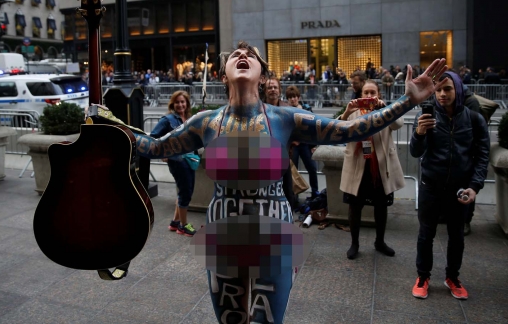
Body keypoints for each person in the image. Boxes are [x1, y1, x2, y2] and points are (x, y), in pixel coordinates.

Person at [91, 41, 448, 323]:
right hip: (223, 233)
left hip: (275, 231)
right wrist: (110, 125)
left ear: (263, 75)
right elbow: (154, 147)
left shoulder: (285, 118)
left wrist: (407, 101)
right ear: (223, 73)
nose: (243, 55)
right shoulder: (206, 122)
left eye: (251, 55)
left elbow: (349, 129)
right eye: (236, 55)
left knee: (266, 320)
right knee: (231, 319)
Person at [410, 71, 490, 301]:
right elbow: (416, 152)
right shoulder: (425, 117)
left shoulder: (474, 119)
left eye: (448, 89)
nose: (443, 94)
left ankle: (452, 277)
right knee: (426, 234)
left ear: (458, 90)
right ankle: (423, 277)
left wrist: (474, 186)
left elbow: (482, 156)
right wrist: (419, 133)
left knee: (457, 236)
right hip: (431, 185)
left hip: (460, 188)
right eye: (438, 90)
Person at [338, 80, 405, 259]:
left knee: (381, 206)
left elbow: (399, 124)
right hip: (358, 165)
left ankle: (380, 241)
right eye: (366, 93)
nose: (369, 96)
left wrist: (386, 109)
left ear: (379, 95)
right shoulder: (353, 111)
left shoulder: (385, 111)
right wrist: (347, 112)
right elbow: (338, 130)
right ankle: (354, 243)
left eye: (372, 93)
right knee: (354, 206)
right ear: (361, 96)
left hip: (381, 167)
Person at [149, 90, 197, 237]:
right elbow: (154, 138)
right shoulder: (167, 119)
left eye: (183, 102)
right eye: (177, 102)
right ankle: (183, 226)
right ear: (173, 104)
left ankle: (175, 222)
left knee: (185, 190)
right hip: (177, 161)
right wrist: (164, 153)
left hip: (190, 160)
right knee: (185, 193)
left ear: (187, 103)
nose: (180, 105)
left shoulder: (188, 118)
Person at [263, 76, 297, 211]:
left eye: (275, 87)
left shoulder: (287, 109)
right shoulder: (258, 108)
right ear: (265, 91)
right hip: (262, 159)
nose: (272, 90)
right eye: (269, 88)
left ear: (279, 90)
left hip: (282, 157)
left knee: (288, 191)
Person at [285, 85, 320, 202]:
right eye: (290, 97)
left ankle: (315, 192)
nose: (292, 99)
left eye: (294, 97)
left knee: (312, 168)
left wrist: (314, 146)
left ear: (298, 97)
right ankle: (294, 195)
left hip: (305, 144)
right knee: (292, 171)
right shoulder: (286, 111)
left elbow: (314, 127)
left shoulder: (306, 108)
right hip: (293, 145)